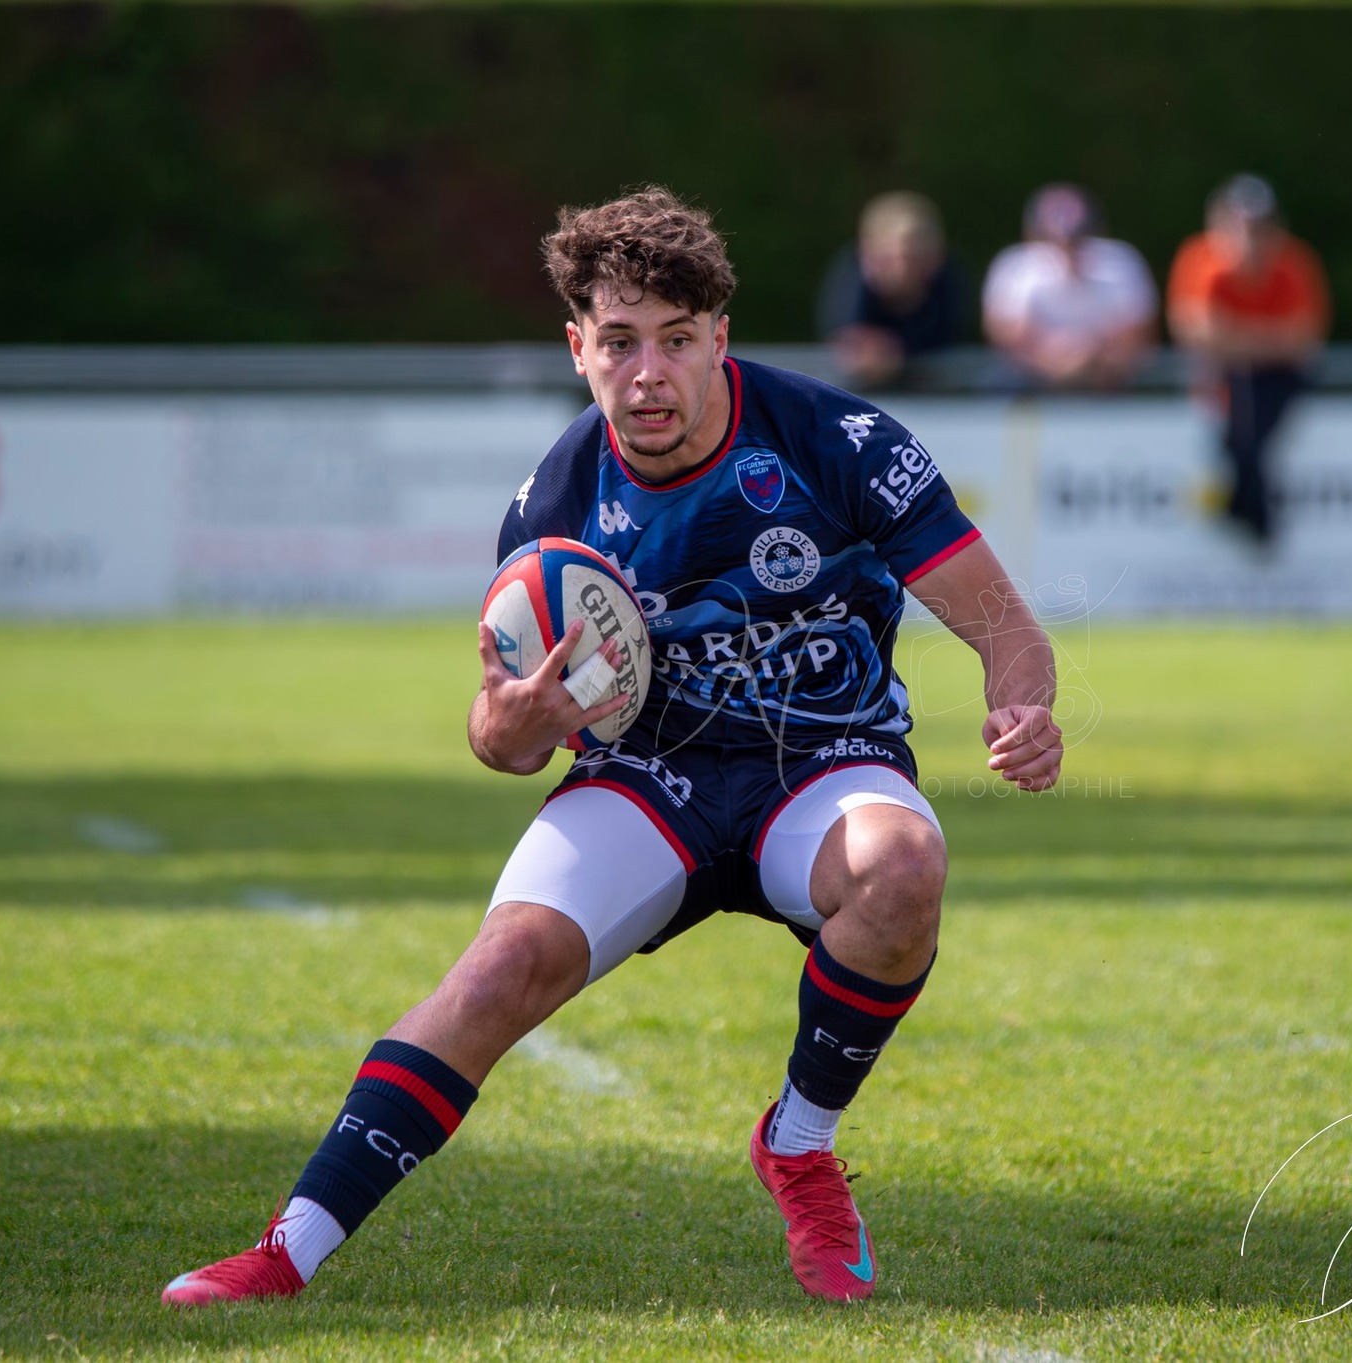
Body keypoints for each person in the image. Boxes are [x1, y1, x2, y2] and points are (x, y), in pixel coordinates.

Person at [159, 187, 1064, 1307]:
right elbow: (498, 733)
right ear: (577, 348)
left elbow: (1007, 630)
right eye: (621, 342)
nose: (649, 375)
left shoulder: (839, 443)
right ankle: (285, 1250)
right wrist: (511, 727)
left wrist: (1023, 710)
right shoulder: (553, 504)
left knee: (904, 866)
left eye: (677, 341)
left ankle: (797, 1144)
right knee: (499, 970)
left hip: (824, 762)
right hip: (648, 775)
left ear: (720, 338)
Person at [1166, 175, 1329, 545]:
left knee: (1251, 435)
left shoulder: (1294, 262)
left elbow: (1303, 339)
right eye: (1238, 225)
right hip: (1221, 378)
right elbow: (1191, 329)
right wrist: (1266, 340)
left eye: (1258, 227)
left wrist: (1233, 336)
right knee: (1238, 429)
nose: (1248, 238)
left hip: (1278, 378)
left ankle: (1246, 509)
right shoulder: (1201, 259)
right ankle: (1253, 513)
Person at [981, 183, 1156, 390]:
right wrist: (1054, 360)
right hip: (1031, 378)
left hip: (1109, 377)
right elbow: (1007, 335)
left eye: (1078, 237)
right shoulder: (1016, 266)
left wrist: (1089, 356)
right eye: (1052, 239)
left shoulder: (1121, 262)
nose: (1066, 248)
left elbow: (1138, 335)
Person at [818, 191, 963, 389]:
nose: (905, 268)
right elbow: (846, 337)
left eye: (918, 257)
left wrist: (897, 350)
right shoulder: (850, 277)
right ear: (869, 254)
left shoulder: (949, 279)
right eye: (896, 257)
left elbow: (949, 335)